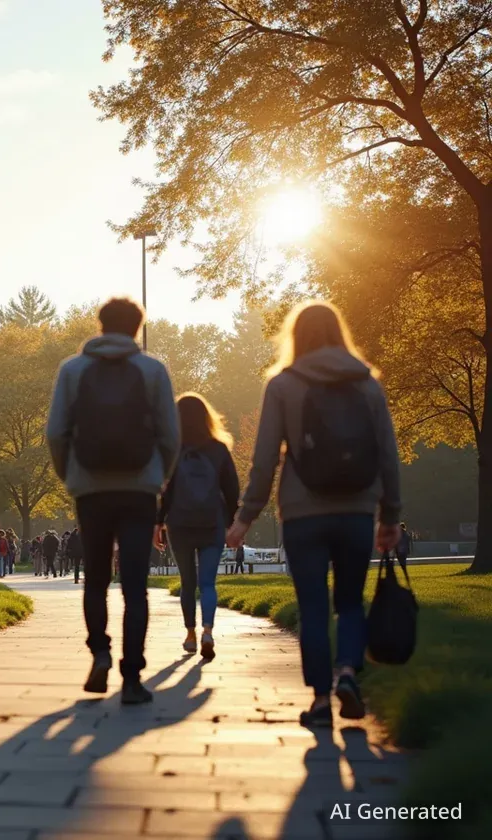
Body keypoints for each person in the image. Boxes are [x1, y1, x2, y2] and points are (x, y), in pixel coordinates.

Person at [226, 301, 401, 729]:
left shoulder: (284, 385)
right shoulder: (367, 382)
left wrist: (246, 516)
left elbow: (265, 458)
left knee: (313, 605)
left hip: (303, 510)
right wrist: (390, 514)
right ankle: (347, 673)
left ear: (296, 336)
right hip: (357, 508)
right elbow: (387, 453)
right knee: (350, 602)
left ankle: (321, 700)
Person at [46, 297, 180, 705]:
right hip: (139, 488)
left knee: (97, 580)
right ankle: (133, 678)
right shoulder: (153, 370)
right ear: (138, 327)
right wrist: (159, 477)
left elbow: (56, 432)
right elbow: (171, 435)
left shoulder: (73, 370)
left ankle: (99, 653)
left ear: (99, 324)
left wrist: (71, 477)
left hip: (91, 488)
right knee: (135, 586)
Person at [156, 393, 240, 660]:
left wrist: (158, 522)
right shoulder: (218, 449)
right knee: (207, 583)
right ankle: (207, 631)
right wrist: (232, 523)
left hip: (179, 524)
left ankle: (190, 635)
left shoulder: (173, 450)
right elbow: (232, 489)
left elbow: (164, 493)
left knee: (187, 582)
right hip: (211, 523)